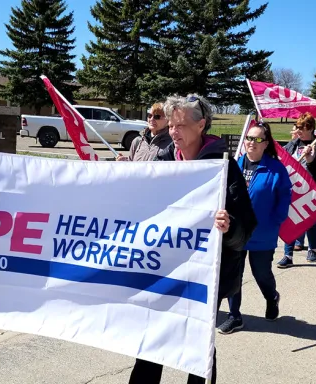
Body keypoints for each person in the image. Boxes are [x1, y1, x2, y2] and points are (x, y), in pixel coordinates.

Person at [128, 94, 257, 384]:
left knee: (197, 346)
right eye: (171, 125)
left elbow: (246, 229)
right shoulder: (162, 161)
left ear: (201, 125)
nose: (173, 132)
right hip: (162, 271)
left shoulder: (224, 167)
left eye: (180, 125)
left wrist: (229, 226)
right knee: (150, 341)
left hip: (203, 278)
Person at [218, 122, 292, 334]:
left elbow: (285, 195)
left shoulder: (275, 168)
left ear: (266, 143)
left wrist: (277, 218)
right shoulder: (234, 165)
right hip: (236, 232)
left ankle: (272, 297)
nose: (252, 142)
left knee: (262, 274)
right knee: (234, 275)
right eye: (249, 138)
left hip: (263, 232)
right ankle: (235, 316)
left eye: (258, 139)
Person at [278, 112, 316, 267]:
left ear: (311, 128)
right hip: (292, 189)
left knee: (311, 221)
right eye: (297, 127)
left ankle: (312, 249)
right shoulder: (292, 144)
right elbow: (282, 160)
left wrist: (311, 161)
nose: (298, 130)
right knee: (290, 219)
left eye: (302, 127)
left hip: (311, 190)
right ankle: (288, 254)